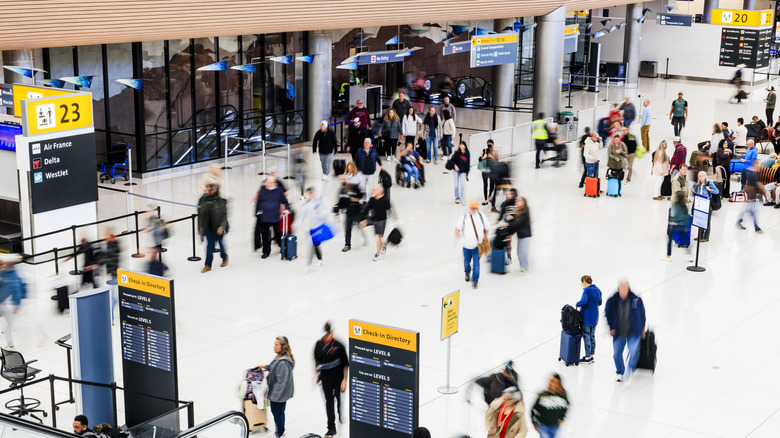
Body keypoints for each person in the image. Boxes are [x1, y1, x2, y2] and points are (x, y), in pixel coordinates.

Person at [604, 280, 647, 382]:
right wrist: (611, 327)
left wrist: (642, 329)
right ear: (618, 289)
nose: (623, 289)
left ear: (628, 288)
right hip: (619, 332)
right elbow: (607, 313)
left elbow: (642, 315)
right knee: (617, 354)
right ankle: (620, 372)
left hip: (634, 332)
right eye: (621, 287)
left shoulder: (636, 300)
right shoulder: (612, 300)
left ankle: (630, 371)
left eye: (625, 287)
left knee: (633, 352)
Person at [313, 322, 348, 438]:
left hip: (338, 379)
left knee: (338, 399)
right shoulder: (318, 345)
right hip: (325, 379)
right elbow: (316, 361)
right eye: (326, 333)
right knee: (329, 402)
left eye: (330, 333)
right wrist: (317, 375)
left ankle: (340, 410)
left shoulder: (339, 346)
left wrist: (345, 380)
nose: (328, 335)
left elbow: (345, 364)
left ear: (332, 332)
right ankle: (331, 428)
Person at [262, 336, 295, 438]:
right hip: (279, 393)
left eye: (276, 345)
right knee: (279, 412)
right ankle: (281, 431)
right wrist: (265, 367)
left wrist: (274, 397)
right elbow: (273, 366)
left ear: (283, 346)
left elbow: (281, 382)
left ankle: (279, 433)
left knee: (277, 413)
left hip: (279, 394)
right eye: (274, 344)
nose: (274, 347)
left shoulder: (284, 362)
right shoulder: (279, 357)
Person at [253, 176, 290, 259]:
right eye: (270, 182)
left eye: (273, 182)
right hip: (264, 218)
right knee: (265, 236)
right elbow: (258, 203)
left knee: (278, 235)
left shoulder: (278, 191)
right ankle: (266, 251)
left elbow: (285, 202)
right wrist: (256, 213)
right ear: (266, 183)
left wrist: (287, 209)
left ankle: (282, 247)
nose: (272, 184)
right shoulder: (262, 191)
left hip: (275, 217)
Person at [455, 201, 489, 289]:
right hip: (466, 245)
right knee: (466, 262)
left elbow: (486, 228)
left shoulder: (481, 216)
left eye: (475, 208)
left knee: (476, 263)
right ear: (469, 208)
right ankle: (467, 272)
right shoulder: (464, 216)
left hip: (477, 246)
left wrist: (485, 237)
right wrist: (457, 234)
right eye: (472, 208)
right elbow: (458, 227)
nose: (473, 209)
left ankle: (475, 280)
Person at [197, 183, 229, 272]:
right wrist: (200, 226)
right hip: (208, 228)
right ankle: (208, 265)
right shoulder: (202, 200)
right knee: (209, 247)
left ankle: (225, 258)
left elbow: (224, 216)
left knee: (221, 244)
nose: (205, 191)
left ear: (213, 191)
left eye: (207, 190)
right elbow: (200, 215)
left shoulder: (221, 201)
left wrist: (222, 227)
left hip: (218, 228)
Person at [297, 187, 328, 269]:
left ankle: (308, 264)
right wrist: (300, 223)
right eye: (308, 193)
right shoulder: (306, 203)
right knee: (315, 245)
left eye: (311, 193)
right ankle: (320, 259)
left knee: (312, 245)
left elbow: (324, 214)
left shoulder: (318, 202)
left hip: (317, 227)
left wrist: (316, 214)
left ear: (314, 193)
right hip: (310, 227)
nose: (310, 195)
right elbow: (302, 214)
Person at [360, 185, 392, 261]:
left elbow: (389, 209)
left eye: (375, 190)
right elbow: (366, 209)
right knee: (378, 237)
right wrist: (363, 219)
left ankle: (378, 253)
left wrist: (394, 219)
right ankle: (384, 245)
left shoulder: (384, 200)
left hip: (382, 221)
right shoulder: (372, 200)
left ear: (380, 191)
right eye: (373, 190)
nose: (373, 191)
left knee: (379, 237)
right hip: (375, 220)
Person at [0, 254, 25, 350]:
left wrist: (17, 306)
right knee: (7, 326)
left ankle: (10, 345)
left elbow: (17, 291)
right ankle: (10, 345)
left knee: (8, 326)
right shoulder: (4, 273)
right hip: (3, 303)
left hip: (10, 305)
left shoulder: (13, 276)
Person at [575, 275, 602, 363]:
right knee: (592, 336)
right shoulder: (597, 289)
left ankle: (587, 357)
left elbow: (583, 301)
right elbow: (600, 302)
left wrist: (577, 304)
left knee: (586, 336)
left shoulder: (587, 290)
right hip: (595, 316)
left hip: (587, 316)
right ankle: (591, 355)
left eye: (582, 283)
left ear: (585, 282)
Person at [338, 173, 364, 252]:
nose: (342, 181)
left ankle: (364, 235)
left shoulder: (354, 187)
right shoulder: (342, 190)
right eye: (341, 180)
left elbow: (362, 195)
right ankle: (347, 245)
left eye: (343, 179)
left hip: (357, 211)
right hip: (348, 213)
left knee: (360, 225)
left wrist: (357, 199)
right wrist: (337, 212)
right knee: (348, 229)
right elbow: (340, 202)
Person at [736, 160, 763, 233]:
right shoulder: (752, 174)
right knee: (753, 212)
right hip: (751, 196)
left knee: (749, 210)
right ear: (754, 165)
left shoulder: (755, 173)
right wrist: (748, 197)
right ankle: (756, 227)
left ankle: (739, 221)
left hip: (752, 196)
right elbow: (748, 185)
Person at [692, 170, 719, 242]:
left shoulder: (709, 183)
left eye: (702, 176)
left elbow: (717, 191)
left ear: (705, 176)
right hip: (700, 205)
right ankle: (700, 235)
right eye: (699, 176)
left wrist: (710, 189)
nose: (701, 178)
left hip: (707, 204)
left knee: (707, 221)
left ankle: (706, 237)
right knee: (700, 220)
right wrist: (694, 192)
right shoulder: (697, 185)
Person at [665, 192, 692, 262]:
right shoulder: (684, 206)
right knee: (685, 240)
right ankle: (689, 255)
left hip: (675, 226)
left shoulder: (674, 206)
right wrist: (686, 227)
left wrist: (670, 223)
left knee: (669, 240)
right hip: (683, 226)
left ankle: (668, 256)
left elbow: (673, 216)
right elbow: (686, 217)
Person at [514, 197, 531, 272]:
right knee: (519, 252)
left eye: (519, 201)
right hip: (520, 235)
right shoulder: (518, 211)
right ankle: (522, 266)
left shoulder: (525, 211)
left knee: (523, 252)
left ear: (523, 202)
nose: (517, 202)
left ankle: (525, 267)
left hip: (526, 235)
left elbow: (518, 222)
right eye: (517, 201)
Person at [480, 141, 496, 205]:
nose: (489, 146)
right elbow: (479, 159)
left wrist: (491, 157)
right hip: (484, 170)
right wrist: (484, 157)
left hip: (492, 170)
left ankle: (489, 196)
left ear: (493, 145)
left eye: (490, 145)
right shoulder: (484, 150)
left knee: (492, 184)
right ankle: (485, 200)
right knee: (485, 185)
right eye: (488, 144)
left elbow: (497, 161)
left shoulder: (494, 152)